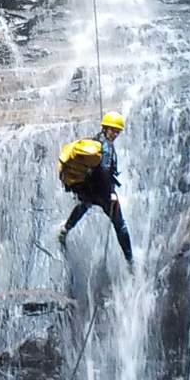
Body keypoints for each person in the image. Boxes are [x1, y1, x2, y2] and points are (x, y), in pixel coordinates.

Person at [58, 111, 133, 265]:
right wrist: (111, 193)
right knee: (120, 225)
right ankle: (130, 260)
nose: (115, 134)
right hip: (102, 192)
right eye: (113, 130)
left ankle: (65, 229)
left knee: (84, 205)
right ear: (105, 128)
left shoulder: (94, 142)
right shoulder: (105, 146)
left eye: (117, 131)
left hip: (89, 189)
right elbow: (105, 171)